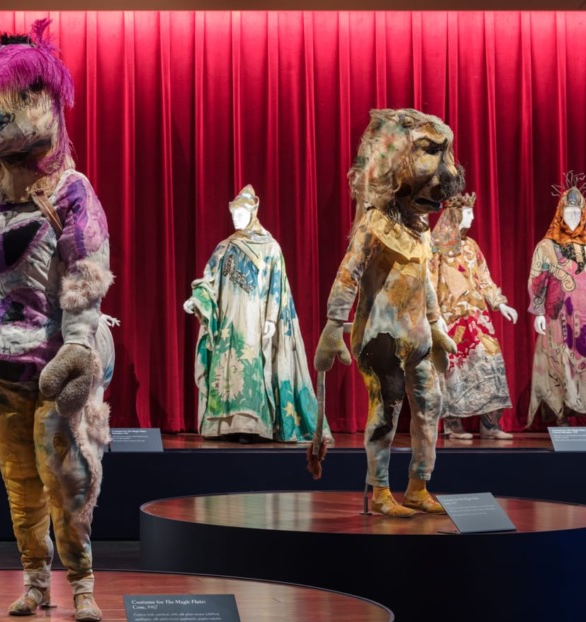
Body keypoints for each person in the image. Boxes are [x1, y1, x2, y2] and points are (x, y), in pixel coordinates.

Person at [0, 20, 114, 622]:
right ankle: (35, 580)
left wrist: (78, 347)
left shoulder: (71, 191)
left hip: (54, 363)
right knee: (19, 481)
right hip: (0, 359)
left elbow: (87, 274)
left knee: (66, 477)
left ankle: (83, 581)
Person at [314, 108, 462, 518]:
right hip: (381, 338)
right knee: (386, 409)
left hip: (417, 336)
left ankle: (418, 485)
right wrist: (334, 326)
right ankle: (380, 490)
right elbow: (349, 273)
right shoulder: (374, 224)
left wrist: (436, 326)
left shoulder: (420, 230)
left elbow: (424, 281)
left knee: (429, 406)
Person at [184, 185, 321, 442]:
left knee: (251, 370)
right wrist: (196, 300)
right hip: (227, 324)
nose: (236, 219)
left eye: (241, 213)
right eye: (233, 214)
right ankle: (223, 426)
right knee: (225, 371)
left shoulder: (270, 248)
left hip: (253, 322)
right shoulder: (224, 248)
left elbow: (277, 287)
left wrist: (270, 319)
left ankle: (252, 426)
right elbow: (208, 281)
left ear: (253, 213)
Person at [527, 172, 586, 426]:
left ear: (583, 213)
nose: (572, 217)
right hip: (559, 318)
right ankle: (562, 421)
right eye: (567, 212)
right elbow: (537, 281)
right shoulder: (547, 246)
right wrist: (538, 313)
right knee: (560, 366)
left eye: (577, 212)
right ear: (560, 214)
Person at [430, 193, 518, 440]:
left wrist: (500, 303)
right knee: (453, 369)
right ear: (455, 215)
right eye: (468, 212)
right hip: (451, 318)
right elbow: (430, 282)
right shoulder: (436, 246)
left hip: (478, 317)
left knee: (490, 362)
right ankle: (453, 424)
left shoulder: (471, 246)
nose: (473, 217)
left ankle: (490, 424)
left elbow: (484, 278)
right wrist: (435, 316)